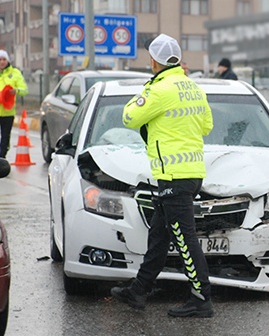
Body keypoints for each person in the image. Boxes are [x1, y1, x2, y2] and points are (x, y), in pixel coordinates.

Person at [110, 33, 214, 318]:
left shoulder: (159, 89)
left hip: (173, 175)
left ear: (154, 61)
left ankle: (201, 297)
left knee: (183, 238)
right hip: (190, 173)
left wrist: (147, 90)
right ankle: (139, 290)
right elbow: (206, 125)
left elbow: (129, 117)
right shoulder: (193, 88)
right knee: (160, 234)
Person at [0, 49, 28, 159]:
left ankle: (2, 158)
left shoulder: (15, 73)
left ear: (7, 60)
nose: (2, 62)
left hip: (8, 112)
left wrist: (16, 90)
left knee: (5, 137)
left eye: (4, 59)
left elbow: (24, 89)